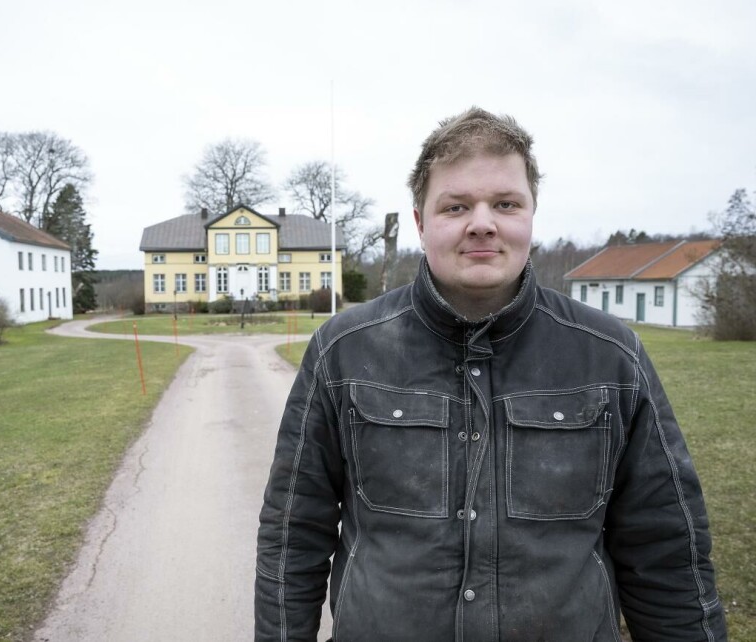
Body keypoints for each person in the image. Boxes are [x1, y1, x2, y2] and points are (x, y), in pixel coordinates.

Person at [255, 107, 726, 641]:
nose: (482, 222)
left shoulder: (613, 358)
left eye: (505, 203)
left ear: (531, 214)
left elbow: (667, 551)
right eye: (456, 206)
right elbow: (294, 534)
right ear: (420, 221)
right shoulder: (341, 351)